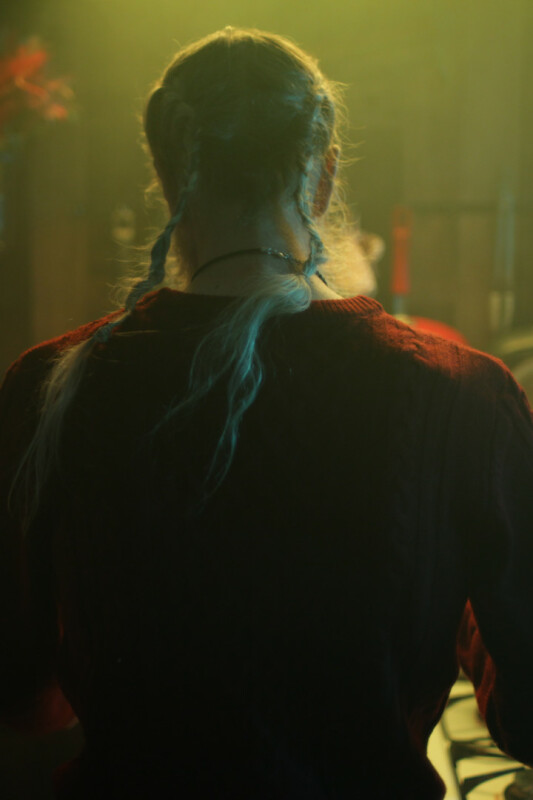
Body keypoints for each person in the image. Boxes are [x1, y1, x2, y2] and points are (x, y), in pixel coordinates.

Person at [1, 26, 532, 800]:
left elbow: (26, 701)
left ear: (166, 173)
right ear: (323, 177)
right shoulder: (461, 396)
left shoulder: (51, 385)